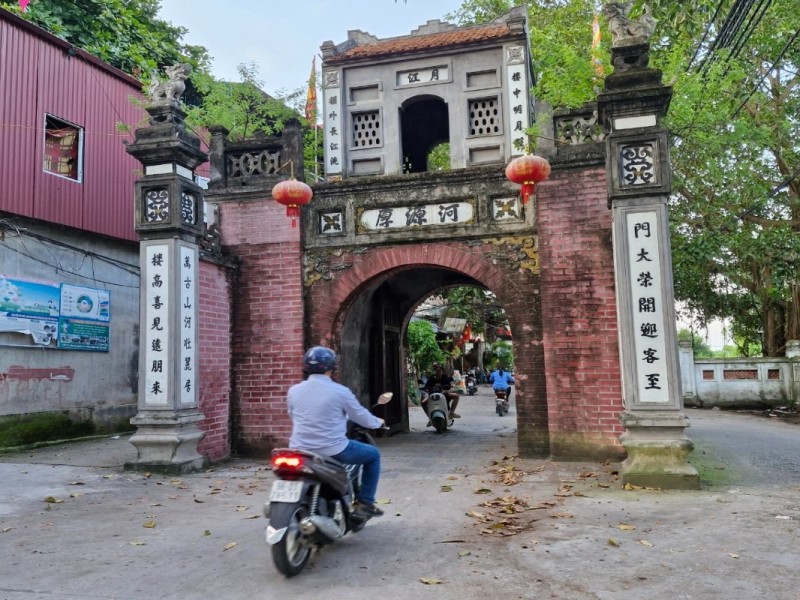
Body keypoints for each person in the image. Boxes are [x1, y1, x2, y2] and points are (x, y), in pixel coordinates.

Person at [287, 346, 386, 517]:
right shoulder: (340, 391)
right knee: (373, 455)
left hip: (299, 449)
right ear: (332, 367)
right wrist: (378, 422)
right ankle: (366, 503)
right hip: (333, 449)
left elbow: (293, 415)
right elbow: (360, 416)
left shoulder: (294, 391)